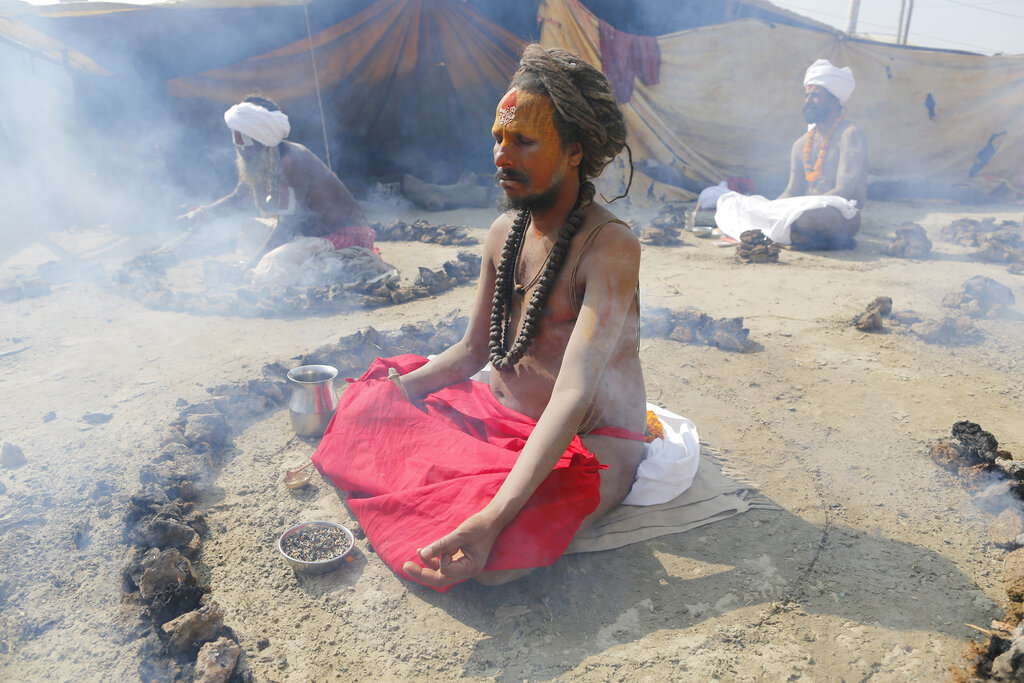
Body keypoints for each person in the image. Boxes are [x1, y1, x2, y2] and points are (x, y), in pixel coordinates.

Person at [311, 44, 646, 591]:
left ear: (574, 152)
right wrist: (393, 394)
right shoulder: (503, 233)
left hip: (583, 445)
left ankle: (483, 514)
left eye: (524, 141)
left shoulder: (610, 248)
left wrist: (493, 519)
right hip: (493, 420)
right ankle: (466, 499)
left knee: (498, 550)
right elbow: (472, 352)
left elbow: (571, 397)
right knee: (369, 404)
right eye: (499, 138)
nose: (501, 154)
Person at [178, 95, 381, 285]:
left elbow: (287, 229)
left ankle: (346, 261)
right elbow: (238, 198)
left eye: (249, 147)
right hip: (308, 235)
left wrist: (247, 269)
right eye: (239, 148)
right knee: (250, 229)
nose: (244, 153)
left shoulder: (292, 161)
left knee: (275, 261)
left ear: (264, 141)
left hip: (346, 235)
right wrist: (202, 214)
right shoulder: (256, 162)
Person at [715, 59, 868, 250]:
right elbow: (792, 191)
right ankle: (795, 236)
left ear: (835, 100)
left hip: (839, 216)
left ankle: (793, 234)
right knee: (732, 204)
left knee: (809, 217)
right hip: (800, 209)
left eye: (816, 96)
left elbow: (843, 191)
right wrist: (769, 209)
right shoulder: (800, 144)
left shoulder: (850, 134)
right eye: (807, 95)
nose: (808, 101)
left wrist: (796, 208)